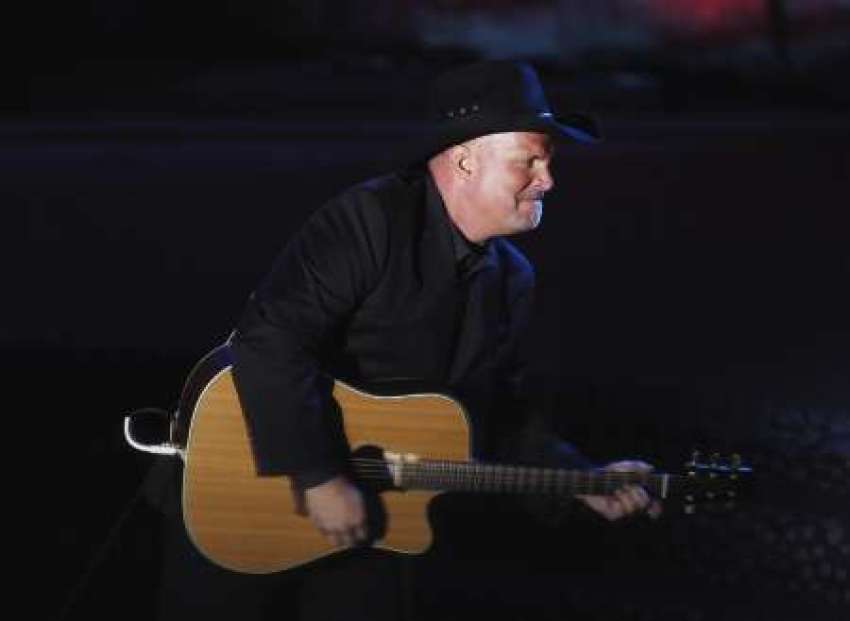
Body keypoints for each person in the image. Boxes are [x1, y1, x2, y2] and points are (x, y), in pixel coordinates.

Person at [156, 60, 661, 621]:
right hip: (243, 482)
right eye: (530, 159)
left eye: (548, 161)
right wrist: (317, 474)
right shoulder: (369, 220)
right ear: (466, 160)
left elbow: (502, 416)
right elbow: (271, 339)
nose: (548, 179)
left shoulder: (510, 278)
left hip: (378, 519)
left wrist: (577, 479)